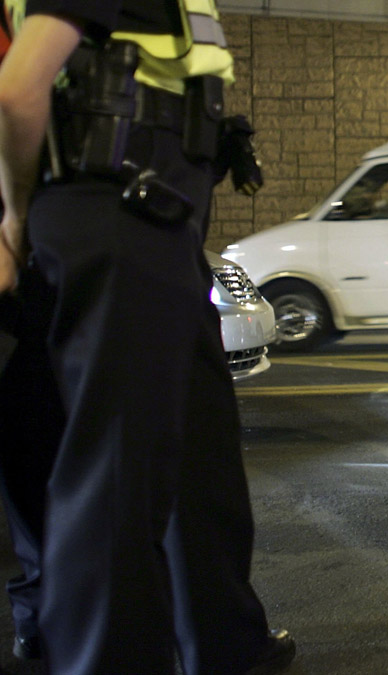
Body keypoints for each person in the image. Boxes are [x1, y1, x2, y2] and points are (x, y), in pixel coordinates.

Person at [0, 1, 296, 673]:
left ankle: (226, 645)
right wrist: (15, 225)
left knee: (201, 453)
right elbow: (19, 88)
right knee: (115, 480)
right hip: (118, 197)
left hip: (158, 204)